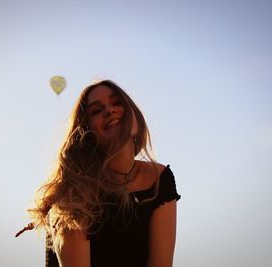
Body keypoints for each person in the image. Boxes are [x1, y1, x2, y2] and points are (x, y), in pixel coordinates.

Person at [16, 80, 181, 267]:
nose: (110, 110)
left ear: (133, 112)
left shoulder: (159, 179)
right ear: (87, 132)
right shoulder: (74, 197)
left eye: (117, 102)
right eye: (96, 111)